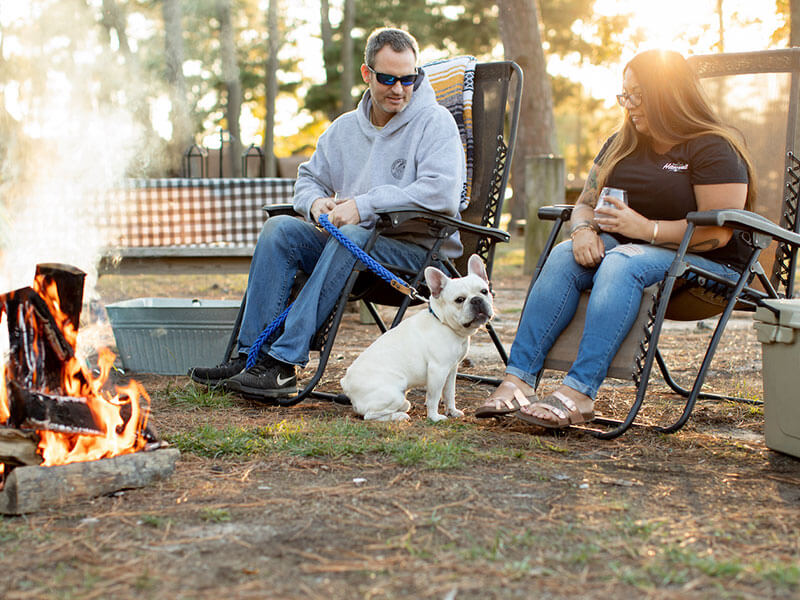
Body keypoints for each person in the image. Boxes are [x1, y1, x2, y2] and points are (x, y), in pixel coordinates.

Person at [475, 49, 755, 429]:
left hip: (706, 264)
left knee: (623, 262)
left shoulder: (714, 148)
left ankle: (580, 391)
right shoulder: (622, 143)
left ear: (669, 94)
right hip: (629, 250)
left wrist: (647, 229)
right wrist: (583, 230)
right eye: (625, 94)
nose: (629, 104)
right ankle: (518, 379)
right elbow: (585, 204)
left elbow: (719, 232)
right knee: (564, 256)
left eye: (638, 94)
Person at [190, 27, 465, 400]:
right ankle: (249, 357)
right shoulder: (344, 129)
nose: (399, 89)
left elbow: (442, 193)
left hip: (417, 255)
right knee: (279, 230)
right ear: (367, 74)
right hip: (351, 251)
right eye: (388, 79)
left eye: (408, 79)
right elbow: (308, 180)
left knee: (351, 237)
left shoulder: (435, 122)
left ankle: (283, 365)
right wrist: (315, 203)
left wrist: (363, 205)